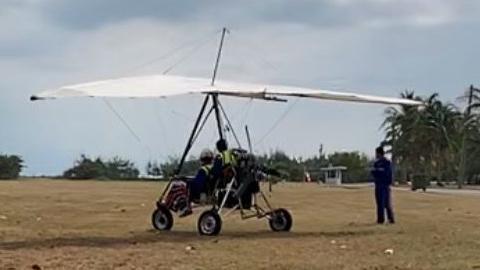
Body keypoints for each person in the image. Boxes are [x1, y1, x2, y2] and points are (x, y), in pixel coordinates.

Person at [371, 146, 395, 224]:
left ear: (379, 153)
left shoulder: (386, 162)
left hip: (384, 185)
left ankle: (391, 219)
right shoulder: (376, 163)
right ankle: (380, 219)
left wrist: (388, 182)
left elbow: (388, 173)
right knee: (379, 203)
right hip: (378, 185)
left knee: (386, 203)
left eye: (376, 153)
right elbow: (375, 173)